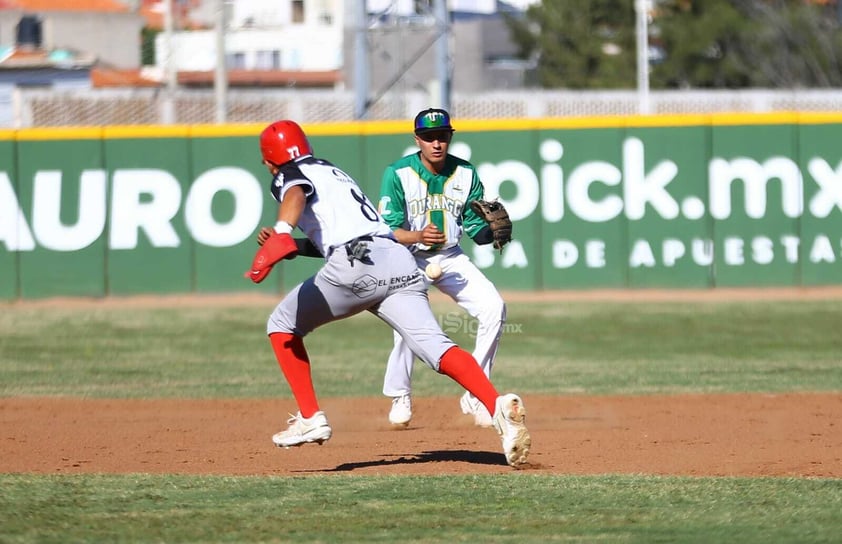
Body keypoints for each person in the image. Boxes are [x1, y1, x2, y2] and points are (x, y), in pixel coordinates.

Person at [246, 119, 531, 467]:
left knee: (281, 325)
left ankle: (310, 418)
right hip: (396, 259)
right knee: (437, 348)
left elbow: (294, 193)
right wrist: (293, 246)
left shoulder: (288, 172)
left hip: (355, 261)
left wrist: (280, 231)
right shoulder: (332, 172)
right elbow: (352, 234)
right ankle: (496, 406)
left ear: (271, 159)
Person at [378, 108, 508, 428]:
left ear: (450, 137)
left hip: (450, 257)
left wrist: (492, 233)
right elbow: (386, 231)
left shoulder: (466, 173)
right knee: (407, 324)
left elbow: (477, 229)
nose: (436, 143)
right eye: (428, 137)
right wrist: (418, 235)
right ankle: (400, 393)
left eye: (443, 136)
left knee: (495, 308)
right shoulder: (397, 174)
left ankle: (476, 393)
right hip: (408, 256)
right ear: (417, 139)